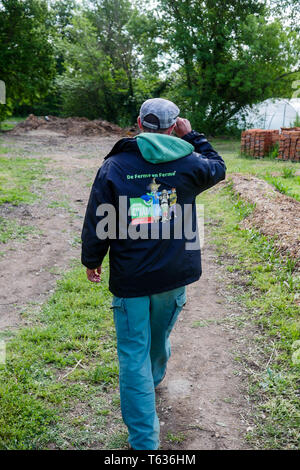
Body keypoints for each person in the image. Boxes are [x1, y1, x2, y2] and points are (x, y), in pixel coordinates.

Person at [81, 97, 226, 450]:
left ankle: (145, 438)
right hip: (172, 277)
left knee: (134, 353)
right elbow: (218, 167)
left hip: (131, 281)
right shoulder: (189, 160)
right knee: (156, 338)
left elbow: (97, 217)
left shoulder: (115, 166)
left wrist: (92, 259)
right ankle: (153, 383)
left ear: (138, 123)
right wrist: (194, 137)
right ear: (174, 126)